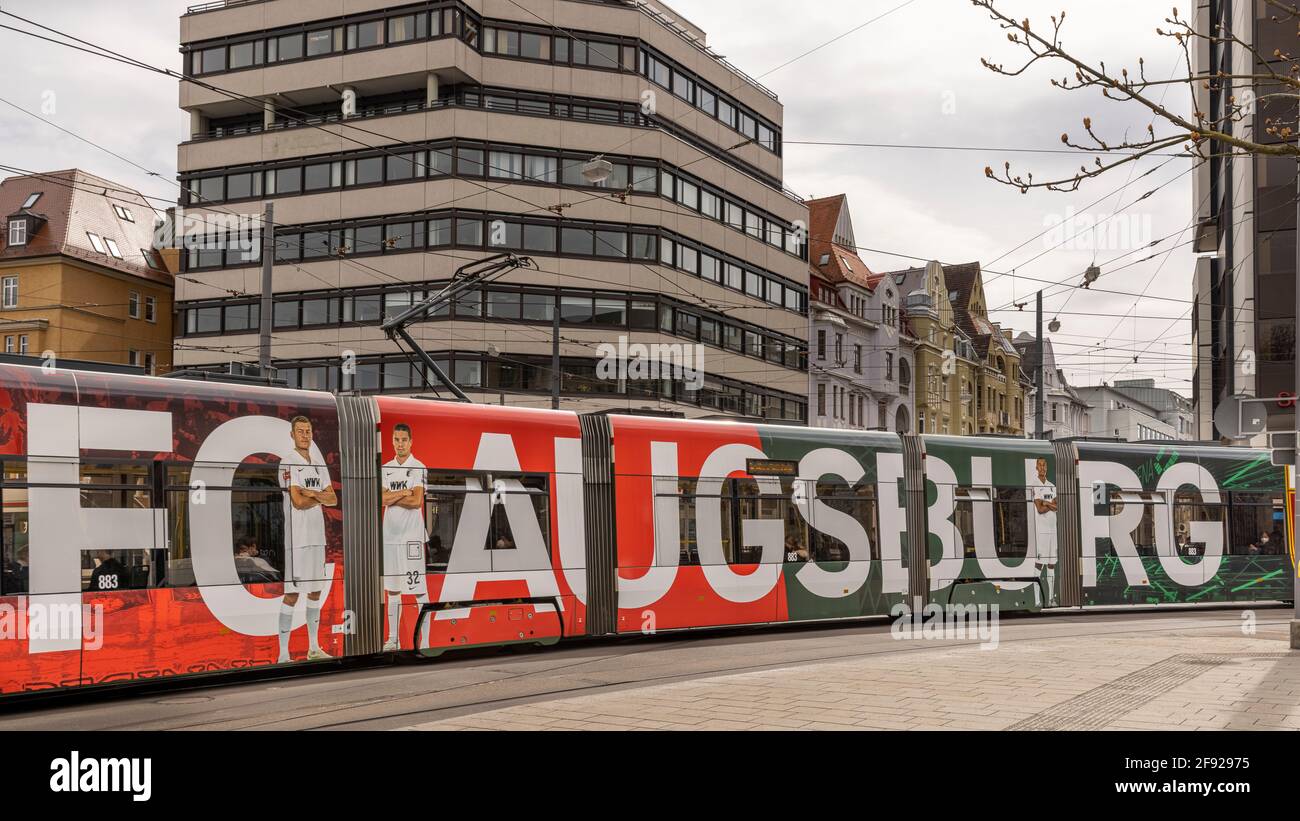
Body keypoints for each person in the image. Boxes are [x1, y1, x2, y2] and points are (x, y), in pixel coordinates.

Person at [278, 415, 337, 663]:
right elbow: (298, 502)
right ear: (292, 435)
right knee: (292, 594)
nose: (305, 435)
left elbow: (333, 499)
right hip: (297, 540)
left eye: (308, 431)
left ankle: (314, 647)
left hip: (316, 538)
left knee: (315, 591)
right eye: (300, 431)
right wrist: (318, 495)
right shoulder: (288, 463)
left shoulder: (318, 463)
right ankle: (283, 653)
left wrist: (310, 492)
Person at [381, 423, 430, 652]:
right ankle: (393, 639)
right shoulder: (385, 468)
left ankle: (426, 638)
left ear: (411, 442)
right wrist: (403, 492)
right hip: (390, 538)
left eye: (404, 440)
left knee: (418, 589)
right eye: (396, 439)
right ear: (392, 441)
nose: (400, 443)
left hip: (412, 539)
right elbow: (381, 499)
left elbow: (416, 501)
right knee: (392, 590)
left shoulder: (419, 467)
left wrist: (393, 496)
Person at [1031, 458, 1058, 606]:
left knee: (1051, 564)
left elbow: (1057, 506)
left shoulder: (1052, 486)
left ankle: (1051, 599)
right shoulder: (1034, 484)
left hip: (1053, 531)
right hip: (1041, 532)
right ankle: (1036, 600)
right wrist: (1050, 504)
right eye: (1039, 465)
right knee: (1039, 565)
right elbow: (1040, 510)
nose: (1042, 467)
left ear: (1046, 467)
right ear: (1036, 467)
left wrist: (1045, 502)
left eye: (1044, 465)